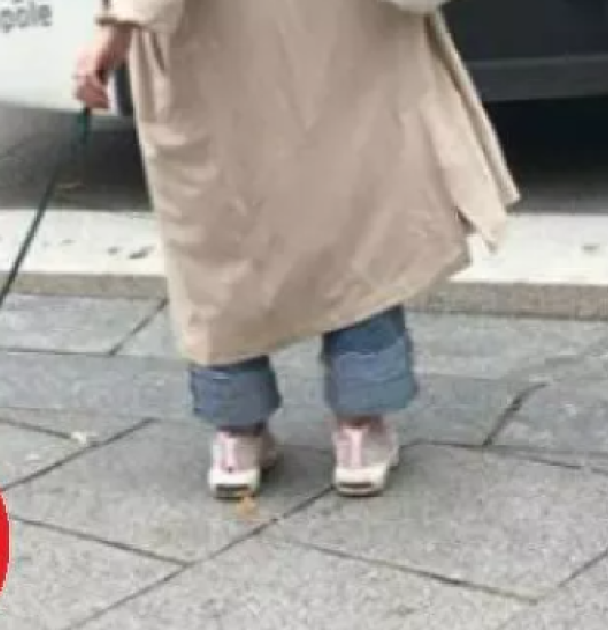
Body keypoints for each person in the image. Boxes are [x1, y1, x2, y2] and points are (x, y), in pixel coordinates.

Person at [73, 0, 519, 499]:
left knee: (221, 241)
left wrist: (116, 26)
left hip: (214, 43)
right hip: (349, 33)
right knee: (358, 217)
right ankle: (359, 430)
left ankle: (238, 434)